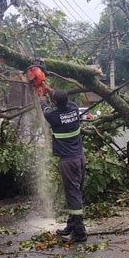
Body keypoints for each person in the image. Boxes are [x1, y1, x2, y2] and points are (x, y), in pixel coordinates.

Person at [39, 89, 87, 242]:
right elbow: (58, 100)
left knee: (73, 195)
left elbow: (44, 106)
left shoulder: (52, 117)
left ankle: (80, 232)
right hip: (79, 158)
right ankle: (71, 225)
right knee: (75, 192)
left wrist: (41, 96)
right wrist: (47, 88)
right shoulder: (73, 107)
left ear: (54, 102)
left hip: (68, 161)